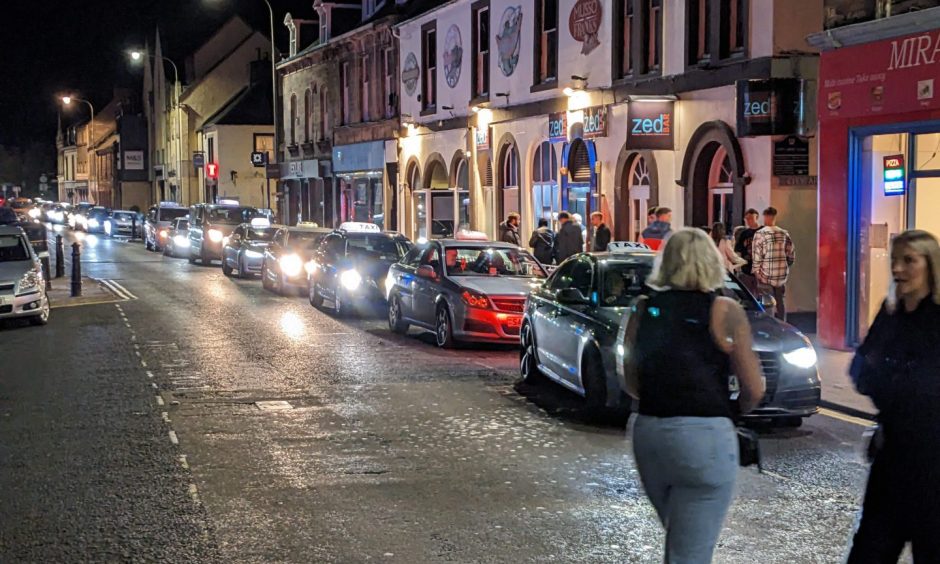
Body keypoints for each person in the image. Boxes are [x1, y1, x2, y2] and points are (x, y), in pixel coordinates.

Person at [623, 228, 764, 563]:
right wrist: (732, 412)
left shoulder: (643, 308)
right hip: (706, 437)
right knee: (690, 553)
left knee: (679, 541)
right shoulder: (725, 310)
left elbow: (631, 382)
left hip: (650, 433)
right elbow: (754, 388)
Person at [847, 230, 940, 562]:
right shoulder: (889, 315)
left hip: (933, 465)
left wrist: (895, 383)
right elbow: (860, 370)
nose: (898, 269)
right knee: (869, 551)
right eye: (894, 260)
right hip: (893, 458)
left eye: (909, 260)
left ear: (930, 265)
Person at [752, 207, 794, 321]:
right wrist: (784, 267)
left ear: (765, 217)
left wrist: (757, 273)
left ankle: (769, 325)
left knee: (767, 302)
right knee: (780, 302)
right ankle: (782, 325)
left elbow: (756, 256)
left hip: (765, 275)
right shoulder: (784, 234)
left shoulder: (760, 234)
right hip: (780, 275)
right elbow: (791, 255)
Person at [734, 209, 761, 294]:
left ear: (756, 217)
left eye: (751, 218)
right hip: (747, 269)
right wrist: (738, 266)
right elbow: (738, 250)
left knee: (762, 295)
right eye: (747, 219)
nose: (749, 221)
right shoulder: (744, 234)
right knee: (748, 295)